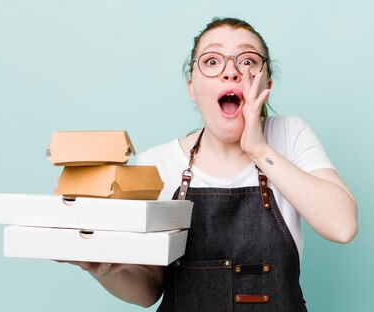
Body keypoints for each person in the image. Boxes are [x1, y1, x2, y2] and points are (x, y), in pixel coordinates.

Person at [65, 17, 358, 311]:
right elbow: (149, 290)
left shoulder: (289, 135)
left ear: (265, 85)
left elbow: (342, 226)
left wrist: (258, 149)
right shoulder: (157, 163)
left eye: (247, 61)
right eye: (212, 61)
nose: (231, 71)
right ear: (193, 88)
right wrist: (106, 271)